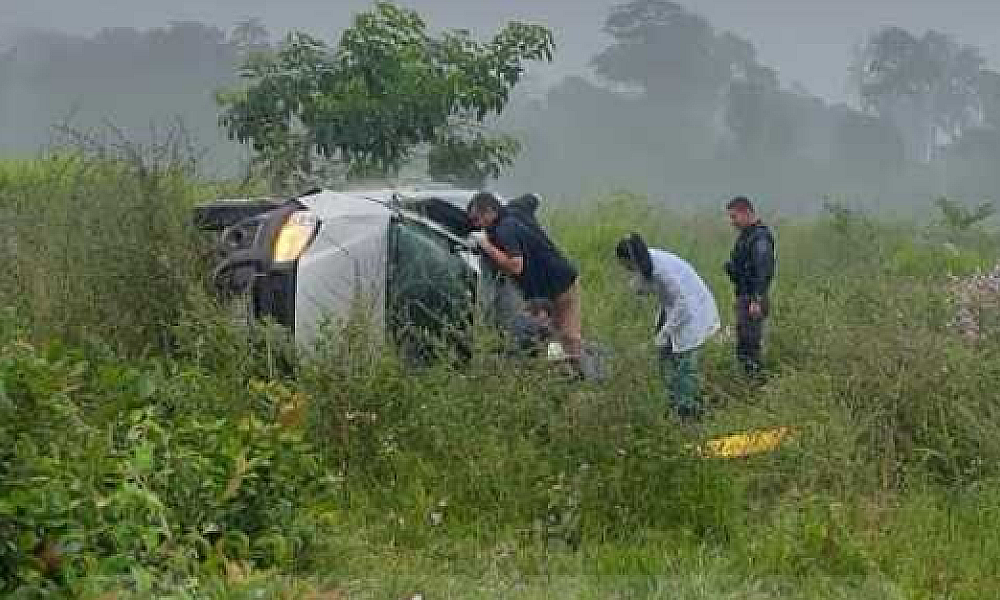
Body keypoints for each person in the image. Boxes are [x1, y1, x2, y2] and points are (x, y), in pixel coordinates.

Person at [467, 192, 583, 361]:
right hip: (559, 278)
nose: (477, 225)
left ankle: (580, 373)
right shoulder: (515, 210)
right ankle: (566, 369)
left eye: (477, 219)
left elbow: (516, 266)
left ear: (490, 212)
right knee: (555, 336)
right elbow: (532, 199)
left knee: (567, 337)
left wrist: (484, 244)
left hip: (559, 284)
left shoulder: (504, 229)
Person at [616, 233, 720, 421]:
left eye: (626, 265)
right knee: (665, 362)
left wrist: (666, 332)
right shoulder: (647, 262)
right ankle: (676, 404)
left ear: (632, 259)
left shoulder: (661, 270)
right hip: (673, 311)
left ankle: (690, 412)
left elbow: (683, 305)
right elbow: (647, 286)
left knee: (684, 366)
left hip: (691, 313)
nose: (627, 269)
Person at [724, 196, 776, 380]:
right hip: (745, 296)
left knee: (750, 346)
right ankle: (750, 383)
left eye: (734, 217)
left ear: (747, 213)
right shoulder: (747, 236)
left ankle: (756, 386)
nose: (732, 222)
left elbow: (764, 268)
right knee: (744, 345)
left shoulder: (760, 238)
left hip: (752, 299)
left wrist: (757, 299)